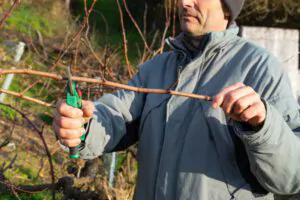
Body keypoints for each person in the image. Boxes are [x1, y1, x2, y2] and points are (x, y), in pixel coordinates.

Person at [53, 0, 300, 199]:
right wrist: (82, 126)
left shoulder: (260, 68)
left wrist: (262, 125)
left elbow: (292, 176)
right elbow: (114, 116)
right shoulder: (155, 69)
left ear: (227, 6)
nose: (184, 3)